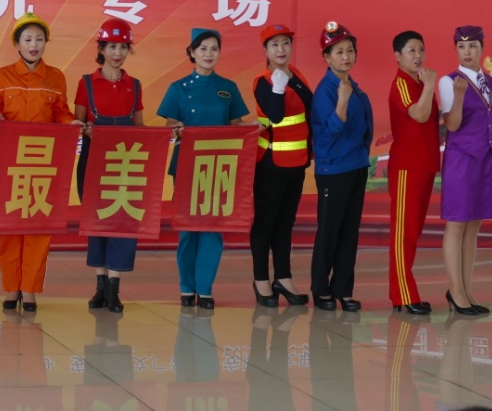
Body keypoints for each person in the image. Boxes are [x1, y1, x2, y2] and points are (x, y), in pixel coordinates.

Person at [0, 12, 77, 313]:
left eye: (39, 39)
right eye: (27, 39)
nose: (33, 45)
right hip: (11, 164)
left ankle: (30, 289)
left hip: (43, 164)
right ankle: (11, 287)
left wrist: (72, 122)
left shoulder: (56, 77)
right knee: (10, 226)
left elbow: (61, 113)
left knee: (38, 225)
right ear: (17, 44)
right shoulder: (2, 76)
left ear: (45, 42)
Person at [157, 28, 250, 310]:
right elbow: (169, 124)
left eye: (214, 48)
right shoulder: (178, 87)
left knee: (212, 228)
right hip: (186, 165)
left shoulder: (228, 87)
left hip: (218, 166)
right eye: (203, 49)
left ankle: (205, 288)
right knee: (188, 229)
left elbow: (236, 125)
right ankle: (187, 287)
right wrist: (177, 127)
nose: (209, 54)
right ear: (192, 53)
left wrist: (254, 128)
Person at [75, 17, 144, 314]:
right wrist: (84, 128)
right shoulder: (86, 83)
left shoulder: (134, 86)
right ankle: (100, 285)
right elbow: (78, 123)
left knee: (123, 221)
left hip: (125, 162)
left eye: (123, 47)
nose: (117, 53)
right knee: (97, 220)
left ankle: (114, 289)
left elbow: (140, 128)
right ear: (101, 49)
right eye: (112, 46)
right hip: (93, 161)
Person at [309, 22, 372, 312]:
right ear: (327, 57)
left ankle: (343, 289)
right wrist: (343, 100)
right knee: (329, 230)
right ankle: (321, 289)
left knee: (349, 231)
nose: (346, 56)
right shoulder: (326, 91)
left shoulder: (352, 86)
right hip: (333, 171)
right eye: (338, 52)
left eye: (350, 50)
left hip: (356, 166)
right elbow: (332, 129)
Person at [250, 23, 313, 308]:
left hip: (297, 164)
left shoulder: (296, 74)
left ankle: (283, 278)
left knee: (286, 223)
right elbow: (275, 116)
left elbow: (309, 110)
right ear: (265, 50)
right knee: (266, 222)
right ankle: (261, 279)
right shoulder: (263, 81)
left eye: (285, 43)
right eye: (274, 44)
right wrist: (278, 87)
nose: (281, 49)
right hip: (271, 164)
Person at [437, 25, 492, 316]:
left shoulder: (491, 82)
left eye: (472, 46)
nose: (467, 52)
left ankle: (467, 290)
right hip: (461, 161)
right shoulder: (449, 82)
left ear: (482, 48)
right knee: (457, 224)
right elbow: (452, 125)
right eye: (461, 47)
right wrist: (459, 96)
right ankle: (456, 291)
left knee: (474, 225)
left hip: (485, 159)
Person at [386, 30, 441, 315]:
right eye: (411, 51)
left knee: (414, 231)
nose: (418, 56)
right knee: (403, 233)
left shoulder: (420, 82)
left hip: (425, 165)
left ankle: (406, 293)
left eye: (421, 49)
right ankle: (403, 295)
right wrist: (430, 84)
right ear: (398, 56)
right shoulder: (402, 83)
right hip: (407, 167)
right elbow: (419, 115)